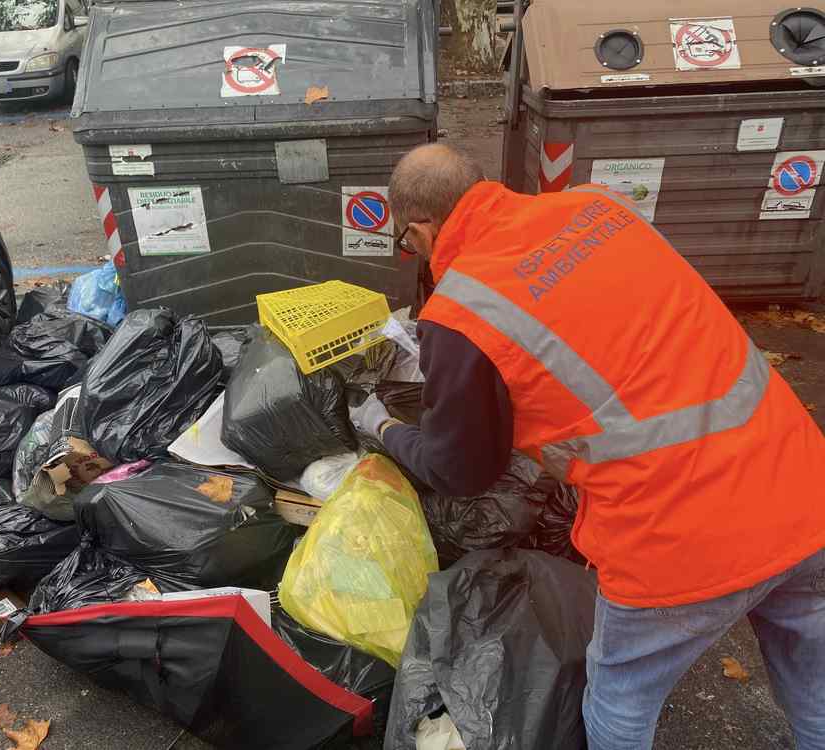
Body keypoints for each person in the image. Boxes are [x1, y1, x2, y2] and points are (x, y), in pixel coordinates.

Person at [351, 143, 825, 750]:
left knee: (622, 693)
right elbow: (610, 331)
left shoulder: (462, 311)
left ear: (420, 226)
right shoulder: (598, 207)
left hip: (679, 536)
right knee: (811, 678)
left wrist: (382, 426)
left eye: (406, 242)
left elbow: (460, 469)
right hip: (800, 485)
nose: (411, 252)